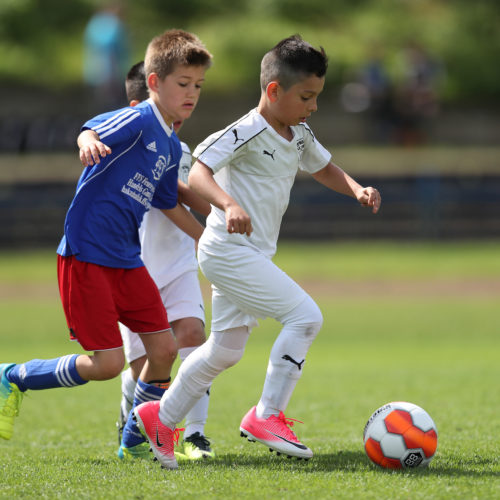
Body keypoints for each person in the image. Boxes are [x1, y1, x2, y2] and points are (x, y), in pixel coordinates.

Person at [132, 34, 381, 470]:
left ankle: (160, 417)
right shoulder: (244, 131)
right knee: (306, 317)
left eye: (316, 96)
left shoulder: (299, 133)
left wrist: (357, 189)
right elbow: (202, 169)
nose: (313, 106)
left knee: (225, 350)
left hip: (251, 253)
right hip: (227, 250)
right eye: (306, 96)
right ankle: (266, 415)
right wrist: (228, 204)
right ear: (273, 91)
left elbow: (323, 166)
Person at [0, 30, 212, 451]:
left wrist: (209, 239)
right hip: (87, 254)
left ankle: (134, 440)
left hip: (127, 260)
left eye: (198, 86)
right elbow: (90, 129)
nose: (192, 94)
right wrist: (89, 142)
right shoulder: (139, 119)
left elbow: (169, 201)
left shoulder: (170, 145)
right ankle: (12, 376)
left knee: (166, 349)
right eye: (182, 84)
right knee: (108, 364)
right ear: (154, 83)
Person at [109, 61, 213, 460]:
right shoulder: (125, 147)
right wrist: (206, 234)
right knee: (147, 367)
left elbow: (180, 191)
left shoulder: (182, 150)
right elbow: (164, 197)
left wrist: (223, 214)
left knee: (191, 336)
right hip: (133, 267)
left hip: (179, 264)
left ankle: (194, 435)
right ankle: (131, 403)